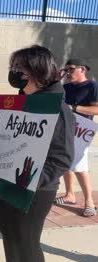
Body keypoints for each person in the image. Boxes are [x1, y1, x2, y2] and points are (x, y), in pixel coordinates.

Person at [0, 45, 75, 262]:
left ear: (38, 71)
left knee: (26, 243)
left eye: (19, 67)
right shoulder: (19, 103)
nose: (14, 72)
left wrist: (28, 181)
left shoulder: (58, 109)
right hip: (6, 183)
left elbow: (62, 158)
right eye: (13, 66)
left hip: (35, 190)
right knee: (10, 239)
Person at [54, 59, 98, 217]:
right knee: (66, 163)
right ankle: (70, 195)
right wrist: (57, 80)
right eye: (65, 70)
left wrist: (74, 107)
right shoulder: (65, 87)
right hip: (65, 129)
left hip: (82, 132)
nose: (68, 73)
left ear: (83, 69)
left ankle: (89, 202)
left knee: (80, 166)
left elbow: (96, 109)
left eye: (71, 69)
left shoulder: (92, 86)